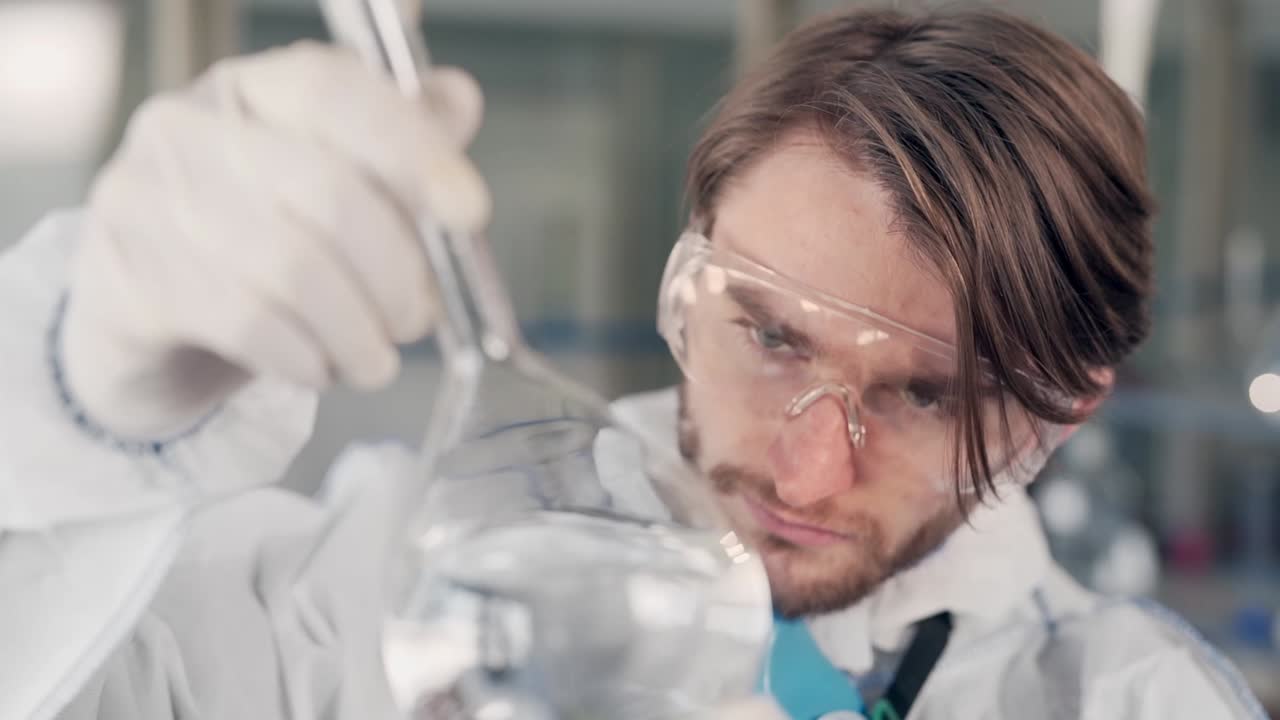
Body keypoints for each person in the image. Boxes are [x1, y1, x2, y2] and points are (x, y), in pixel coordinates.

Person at [0, 5, 1266, 720]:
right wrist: (75, 391)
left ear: (1056, 415)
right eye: (768, 333)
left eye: (924, 392)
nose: (805, 468)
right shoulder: (407, 582)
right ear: (684, 284)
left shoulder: (1122, 702)